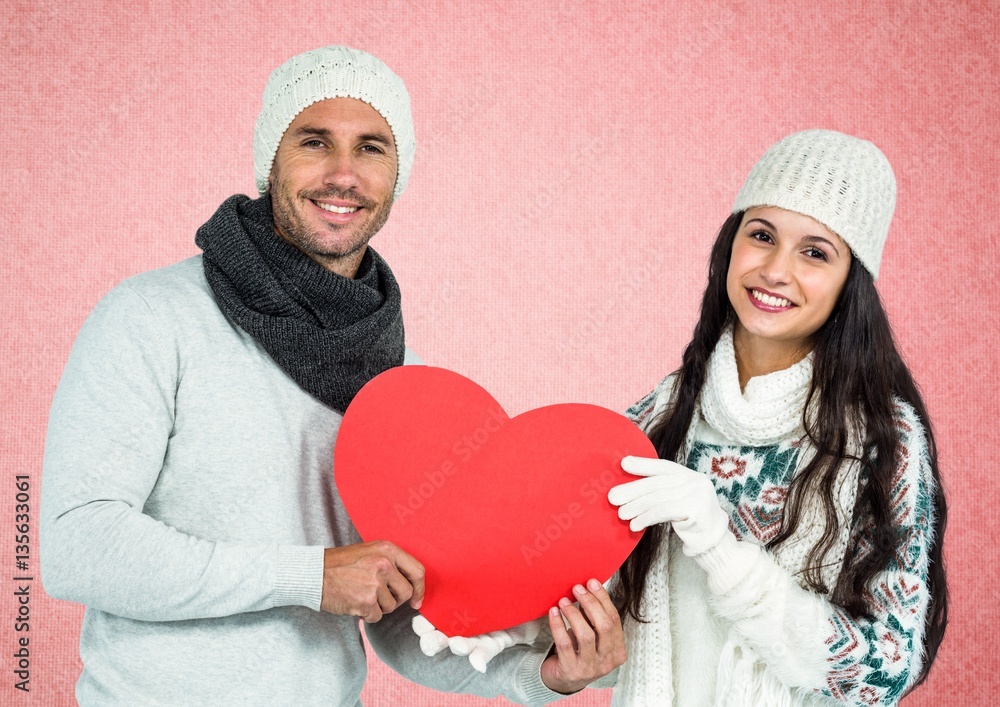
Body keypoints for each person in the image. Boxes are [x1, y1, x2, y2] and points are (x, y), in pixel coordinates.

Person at [40, 45, 624, 705]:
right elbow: (77, 544)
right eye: (315, 141)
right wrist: (313, 576)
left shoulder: (392, 379)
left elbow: (403, 615)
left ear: (397, 174)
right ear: (271, 159)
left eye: (372, 148)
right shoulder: (152, 315)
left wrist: (538, 675)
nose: (343, 174)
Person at [605, 129, 948, 705]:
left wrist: (716, 542)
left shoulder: (884, 441)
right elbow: (606, 622)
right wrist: (509, 630)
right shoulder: (660, 416)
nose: (775, 270)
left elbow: (880, 677)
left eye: (815, 252)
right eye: (761, 235)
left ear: (851, 283)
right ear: (728, 245)